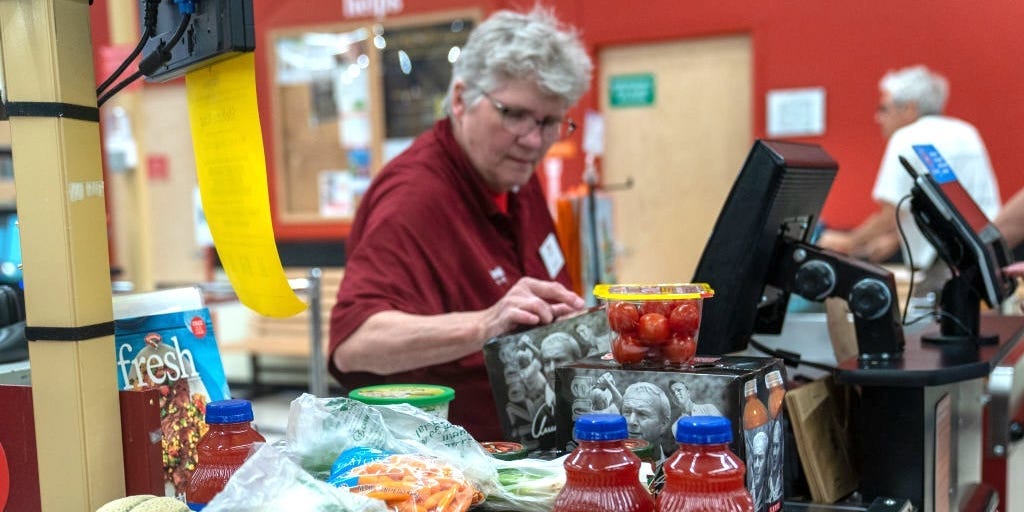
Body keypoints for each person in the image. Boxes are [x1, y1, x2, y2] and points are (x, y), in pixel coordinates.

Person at [327, 6, 592, 441]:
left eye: (548, 122)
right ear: (459, 99)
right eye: (514, 114)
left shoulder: (514, 174)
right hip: (438, 471)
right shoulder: (415, 197)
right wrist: (484, 325)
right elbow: (355, 344)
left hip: (526, 452)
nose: (533, 140)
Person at [819, 65, 1001, 295]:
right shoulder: (966, 132)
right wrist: (896, 236)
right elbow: (950, 198)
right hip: (989, 249)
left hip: (943, 262)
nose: (878, 118)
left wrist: (849, 241)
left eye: (884, 108)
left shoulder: (906, 137)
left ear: (910, 108)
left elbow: (890, 212)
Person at [621, 381, 673, 459]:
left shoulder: (674, 469)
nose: (631, 421)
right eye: (627, 412)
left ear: (664, 424)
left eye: (642, 414)